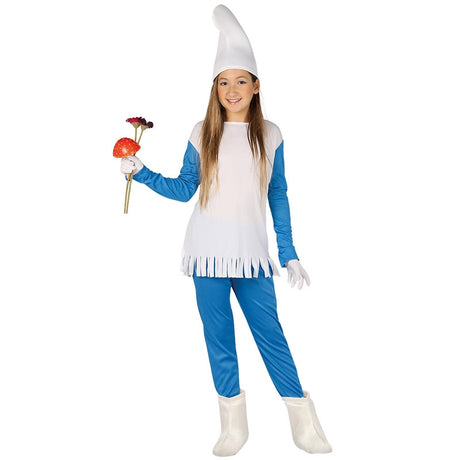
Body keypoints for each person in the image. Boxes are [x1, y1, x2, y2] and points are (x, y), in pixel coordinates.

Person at [120, 4, 332, 456]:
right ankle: (234, 427)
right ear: (214, 88)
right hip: (207, 254)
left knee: (271, 335)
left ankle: (304, 422)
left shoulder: (271, 134)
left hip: (252, 257)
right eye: (223, 82)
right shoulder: (202, 133)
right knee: (219, 340)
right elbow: (184, 189)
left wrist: (289, 252)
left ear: (256, 86)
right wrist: (141, 172)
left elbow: (278, 194)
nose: (232, 90)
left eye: (240, 81)